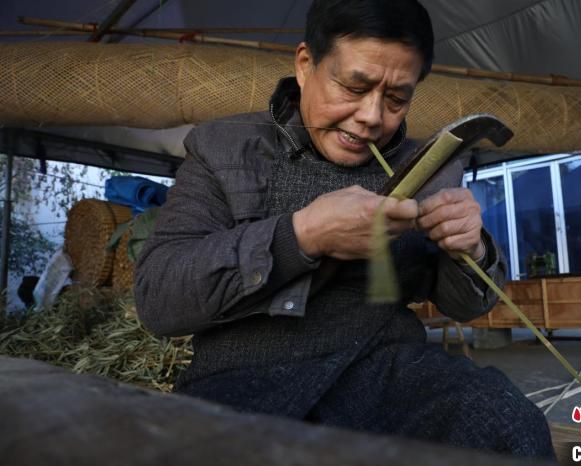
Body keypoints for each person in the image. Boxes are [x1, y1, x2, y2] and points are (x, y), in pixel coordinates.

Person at [135, 0, 554, 458]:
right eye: (354, 87)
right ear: (305, 64)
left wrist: (469, 246)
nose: (372, 117)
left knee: (502, 421)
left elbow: (467, 306)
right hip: (242, 377)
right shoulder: (225, 147)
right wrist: (302, 235)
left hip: (388, 369)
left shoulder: (428, 167)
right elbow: (159, 298)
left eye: (396, 99)